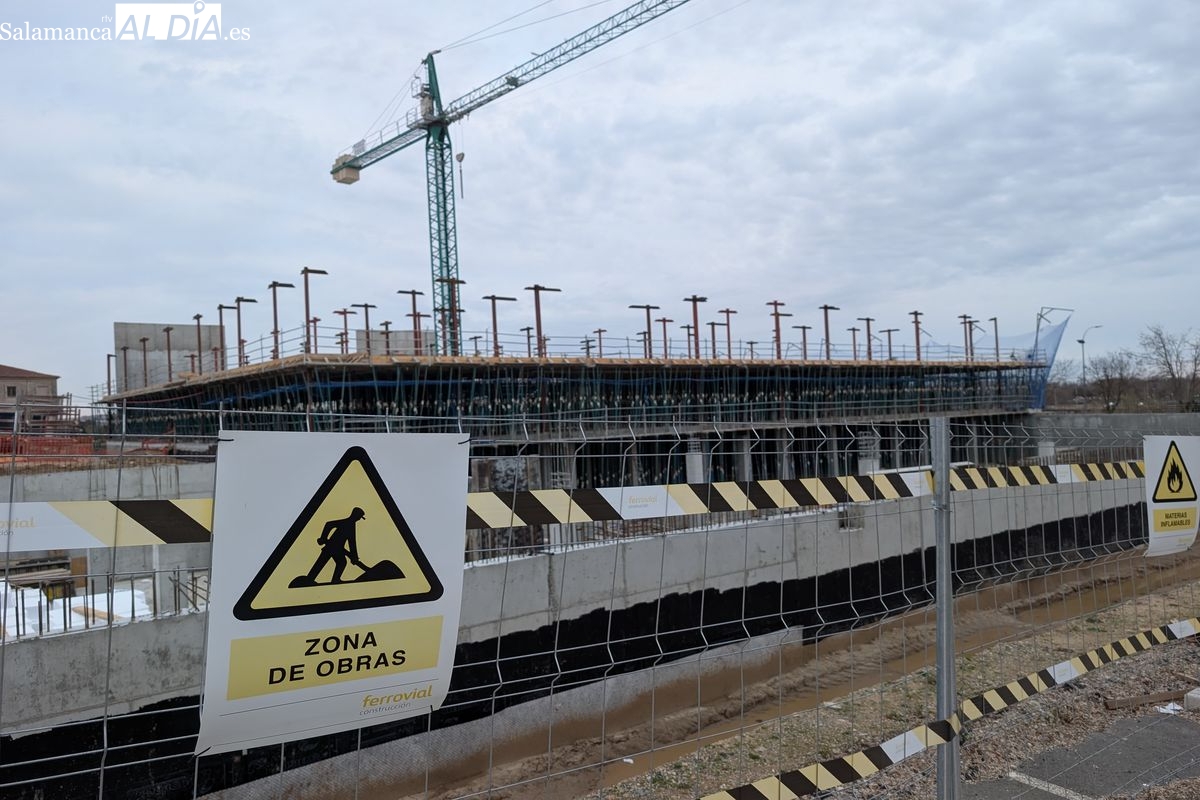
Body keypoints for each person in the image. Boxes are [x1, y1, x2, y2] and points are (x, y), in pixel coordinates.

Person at [303, 507, 367, 584]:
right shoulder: (346, 523)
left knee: (339, 562)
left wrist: (354, 557)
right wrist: (323, 537)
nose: (359, 519)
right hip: (331, 547)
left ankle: (315, 579)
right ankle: (310, 580)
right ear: (355, 515)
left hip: (338, 549)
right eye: (359, 517)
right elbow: (329, 524)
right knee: (334, 562)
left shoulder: (351, 525)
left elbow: (352, 542)